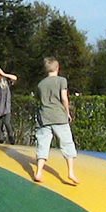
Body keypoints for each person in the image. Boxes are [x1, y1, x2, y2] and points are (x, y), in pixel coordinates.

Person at [33, 57, 77, 185]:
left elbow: (39, 99)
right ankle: (71, 172)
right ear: (58, 68)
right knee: (67, 143)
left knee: (43, 144)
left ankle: (39, 172)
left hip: (44, 117)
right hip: (58, 116)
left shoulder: (41, 84)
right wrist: (67, 112)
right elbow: (64, 97)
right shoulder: (62, 80)